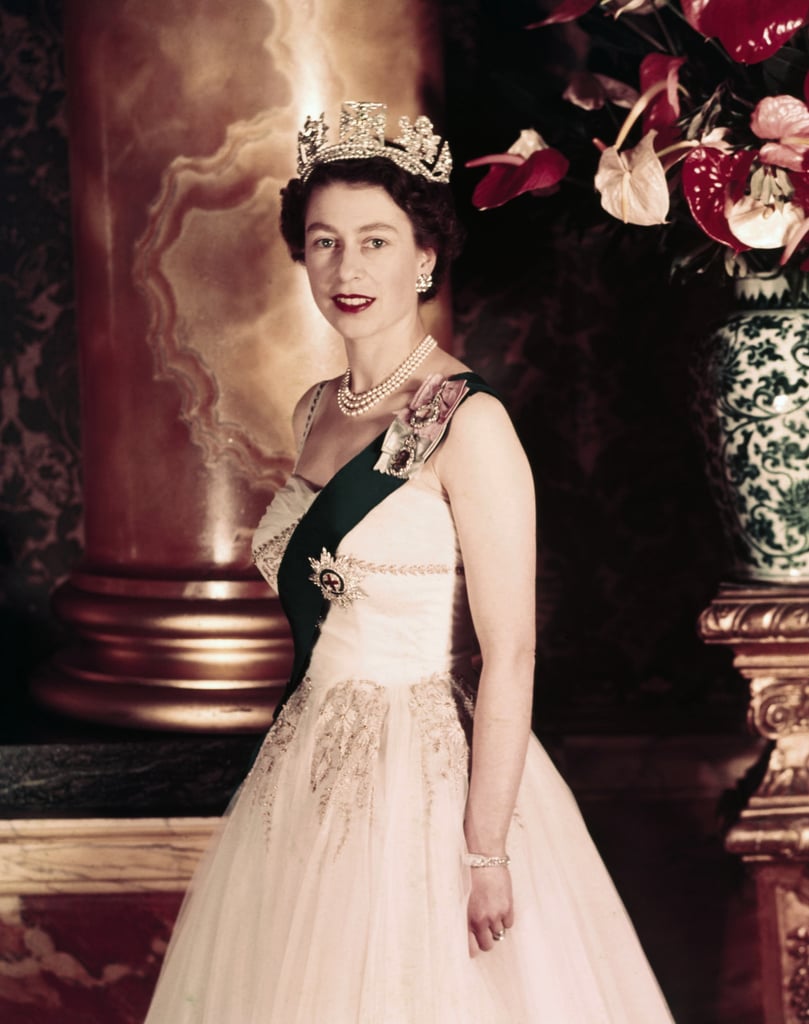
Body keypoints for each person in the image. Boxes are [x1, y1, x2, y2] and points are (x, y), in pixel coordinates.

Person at [144, 101, 674, 1023]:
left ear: (425, 256)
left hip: (427, 787)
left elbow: (510, 654)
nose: (349, 270)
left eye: (377, 241)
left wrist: (484, 851)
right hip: (304, 774)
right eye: (325, 242)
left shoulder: (468, 423)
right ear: (302, 254)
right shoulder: (313, 410)